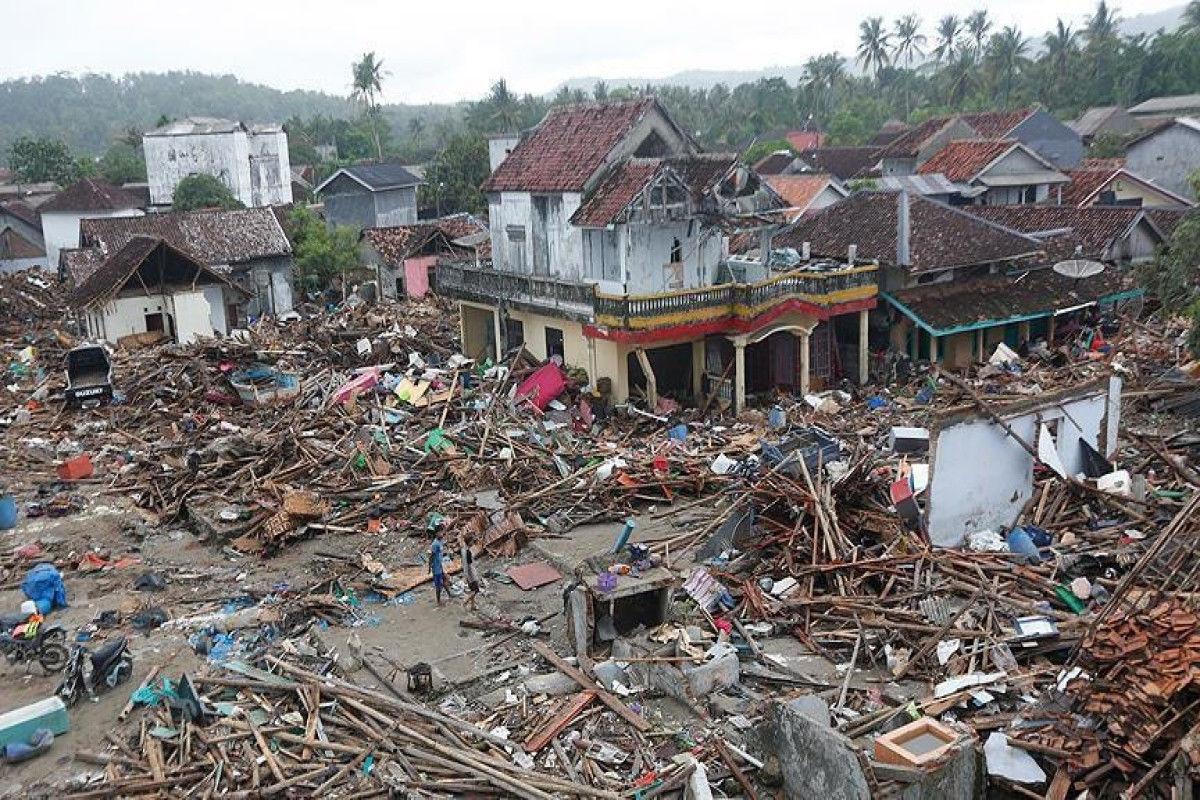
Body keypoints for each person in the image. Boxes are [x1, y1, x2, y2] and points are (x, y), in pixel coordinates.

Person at [461, 533, 480, 610]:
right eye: (472, 541)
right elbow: (467, 565)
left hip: (468, 574)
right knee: (476, 591)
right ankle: (465, 601)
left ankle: (473, 606)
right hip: (471, 574)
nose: (473, 542)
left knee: (472, 590)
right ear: (469, 542)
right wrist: (467, 577)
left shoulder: (463, 550)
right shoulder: (467, 552)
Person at [429, 528, 446, 606]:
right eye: (440, 532)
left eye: (442, 532)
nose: (442, 534)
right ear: (436, 534)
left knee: (444, 579)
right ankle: (438, 601)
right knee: (438, 585)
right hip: (436, 568)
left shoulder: (440, 542)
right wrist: (429, 567)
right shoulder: (435, 544)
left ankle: (449, 594)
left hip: (439, 565)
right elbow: (431, 556)